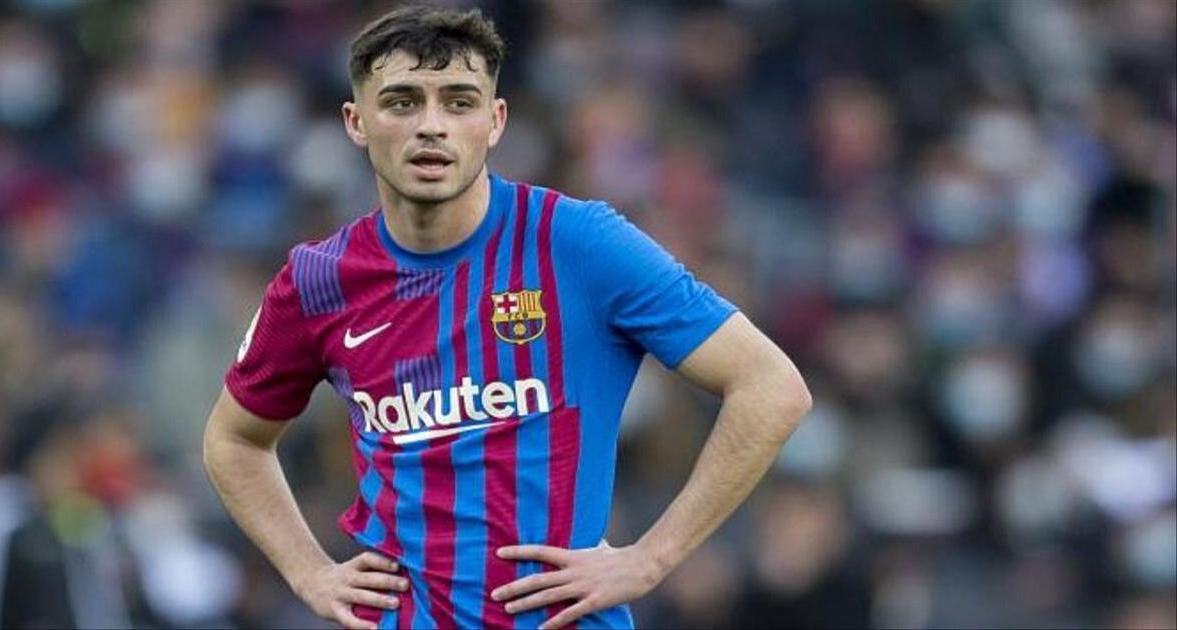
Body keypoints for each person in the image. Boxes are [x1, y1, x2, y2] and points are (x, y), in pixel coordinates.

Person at [202, 5, 812, 629]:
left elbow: (771, 386)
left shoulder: (578, 243)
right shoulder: (318, 281)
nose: (431, 126)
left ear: (495, 121)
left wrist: (651, 559)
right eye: (402, 102)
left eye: (459, 102)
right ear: (356, 122)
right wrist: (309, 571)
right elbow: (234, 439)